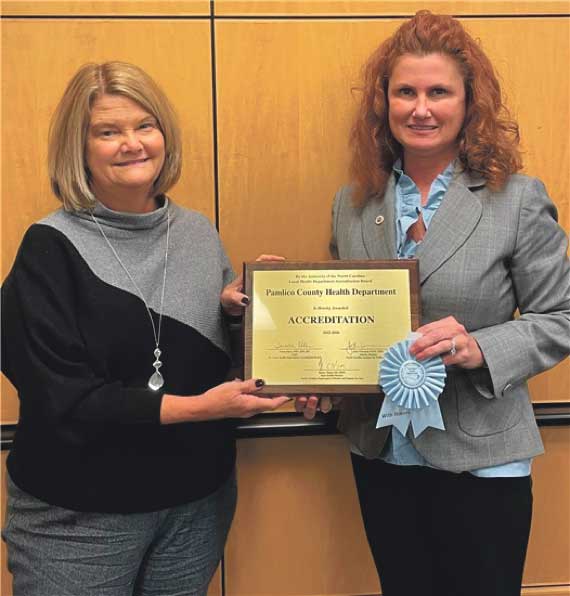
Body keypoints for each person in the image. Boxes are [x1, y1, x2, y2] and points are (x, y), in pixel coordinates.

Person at [296, 11, 569, 596]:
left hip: (483, 458)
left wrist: (480, 346)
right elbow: (346, 320)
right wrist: (312, 366)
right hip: (380, 452)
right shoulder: (353, 201)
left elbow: (561, 318)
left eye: (439, 91)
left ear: (469, 102)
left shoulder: (515, 199)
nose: (421, 108)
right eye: (406, 92)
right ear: (384, 103)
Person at [1, 61, 289, 596]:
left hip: (195, 508)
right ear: (79, 147)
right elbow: (62, 398)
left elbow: (212, 355)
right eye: (108, 131)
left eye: (144, 125)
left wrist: (235, 313)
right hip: (80, 519)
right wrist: (206, 408)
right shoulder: (49, 248)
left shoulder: (198, 233)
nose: (131, 144)